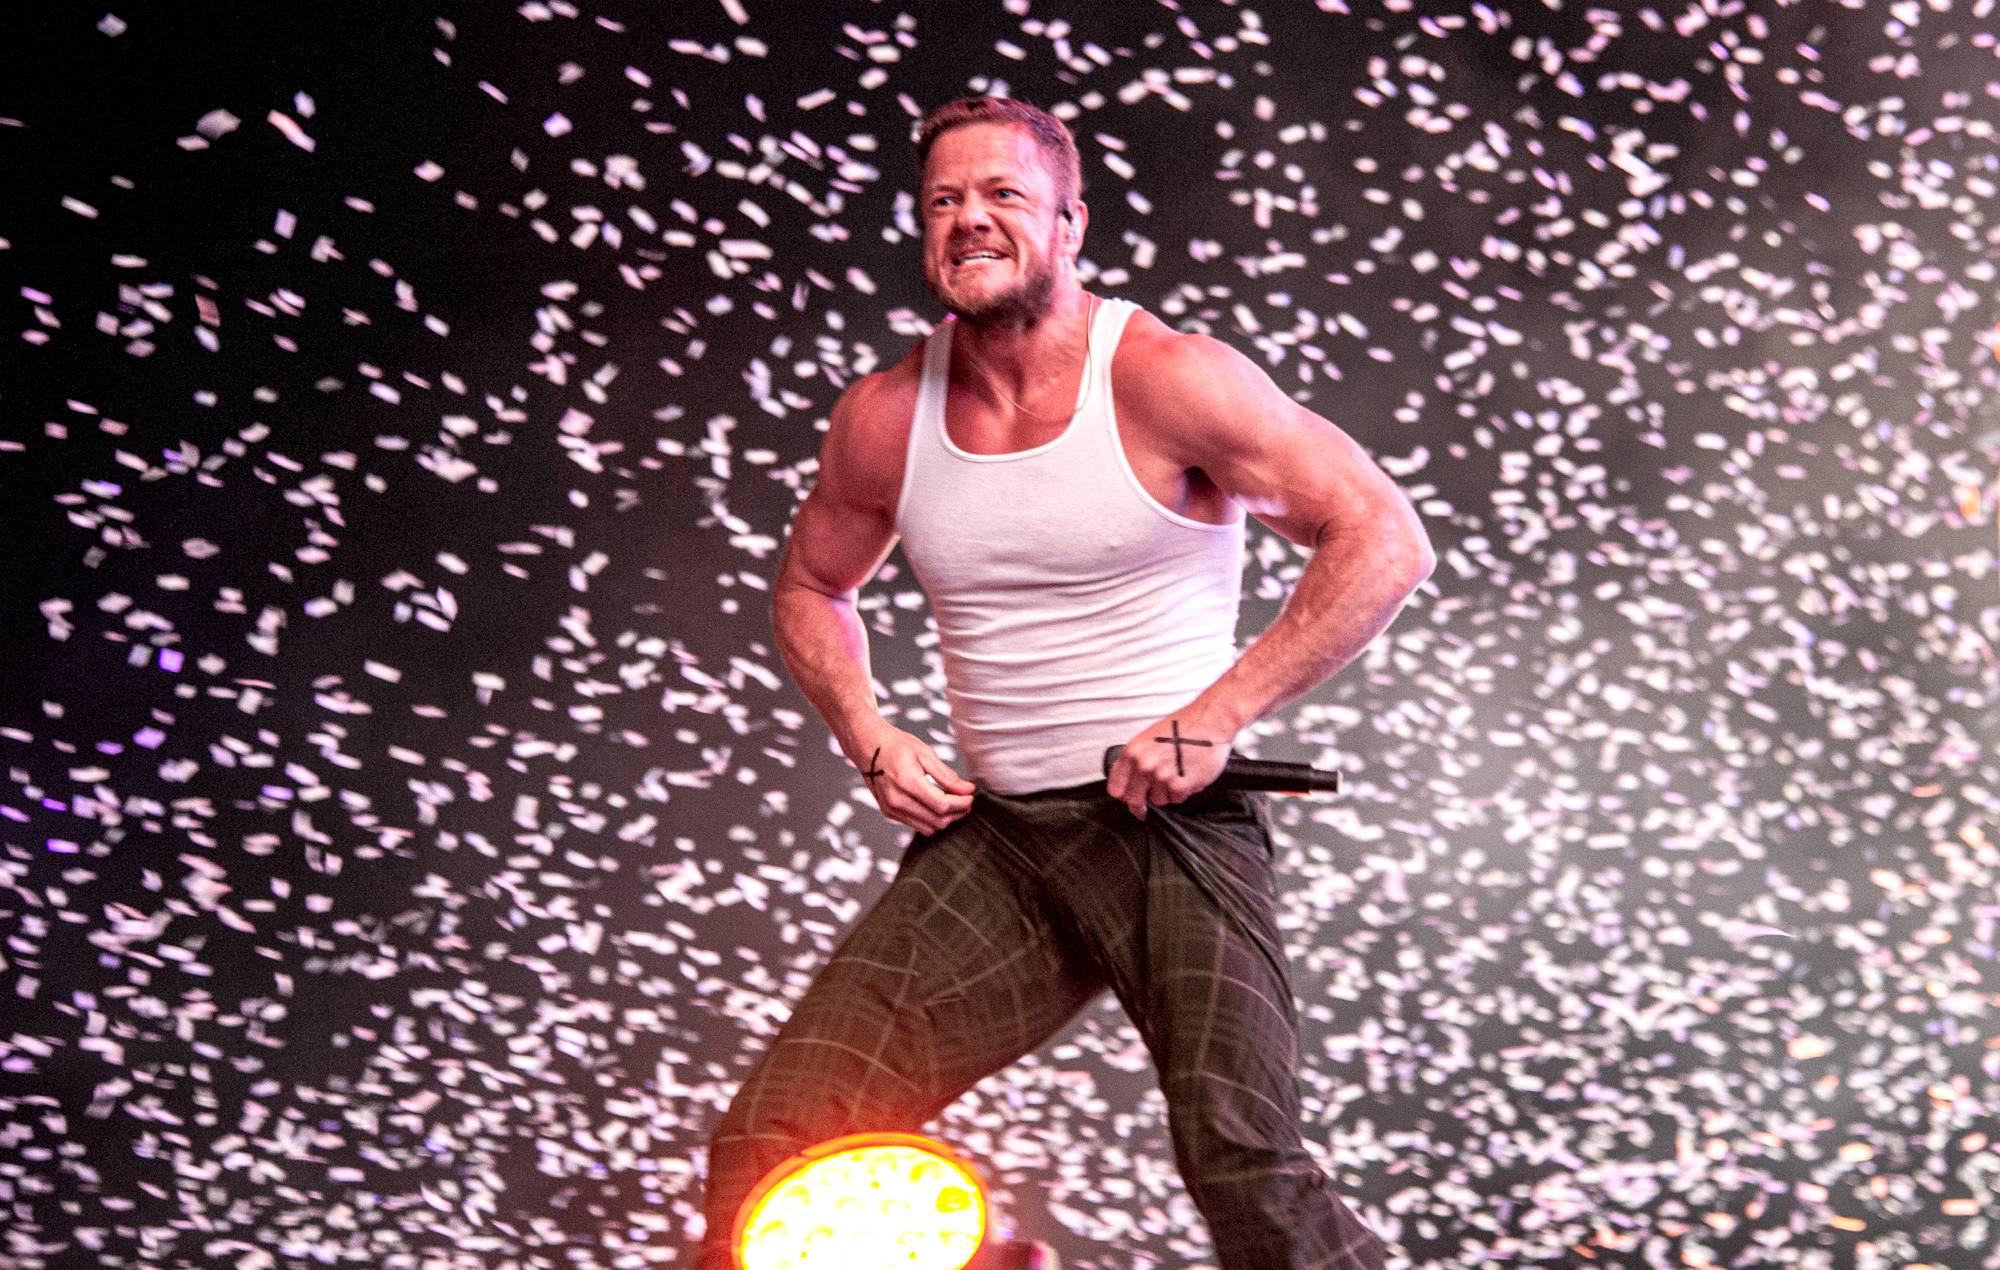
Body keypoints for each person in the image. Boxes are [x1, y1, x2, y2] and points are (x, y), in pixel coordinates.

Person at [698, 96, 1433, 1270]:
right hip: (999, 845)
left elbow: (1381, 539)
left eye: (1002, 196)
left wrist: (1215, 717)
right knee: (772, 1144)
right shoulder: (886, 415)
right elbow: (807, 589)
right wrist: (867, 732)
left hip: (1170, 832)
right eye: (944, 201)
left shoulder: (1167, 379)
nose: (970, 220)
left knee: (1239, 1154)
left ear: (1068, 223)